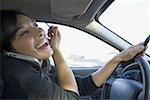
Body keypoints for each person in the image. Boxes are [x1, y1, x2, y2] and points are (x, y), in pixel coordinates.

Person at [0, 10, 146, 99]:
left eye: (35, 25)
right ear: (6, 50)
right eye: (24, 32)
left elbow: (82, 86)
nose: (40, 32)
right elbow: (71, 97)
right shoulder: (16, 73)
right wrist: (56, 51)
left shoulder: (37, 64)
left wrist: (118, 58)